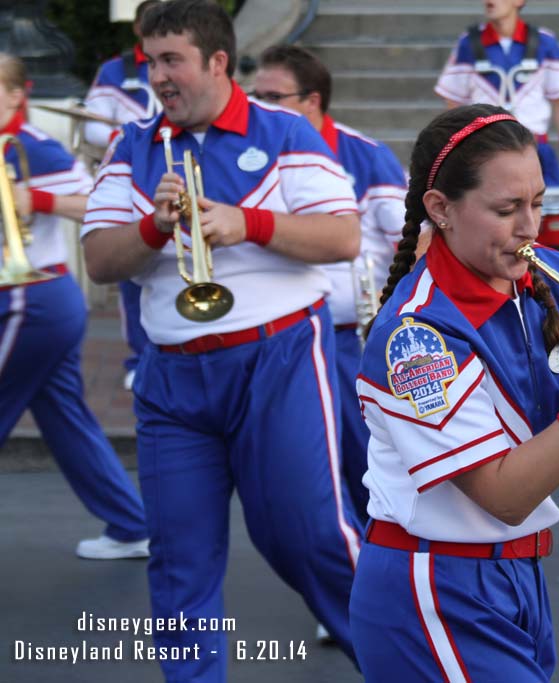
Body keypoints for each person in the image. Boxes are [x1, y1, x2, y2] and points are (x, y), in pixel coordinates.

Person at [349, 103, 559, 682]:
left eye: (538, 202)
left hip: (518, 576)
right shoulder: (417, 337)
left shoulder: (548, 278)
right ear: (441, 209)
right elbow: (502, 496)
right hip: (435, 586)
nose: (531, 227)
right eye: (506, 209)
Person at [81, 1, 364, 679]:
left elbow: (342, 237)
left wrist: (248, 223)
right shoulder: (134, 145)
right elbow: (99, 258)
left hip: (281, 360)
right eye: (150, 61)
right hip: (173, 377)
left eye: (171, 60)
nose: (158, 77)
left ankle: (405, 664)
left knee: (311, 538)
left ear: (215, 61)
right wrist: (154, 228)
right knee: (179, 562)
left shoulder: (286, 131)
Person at [252, 44, 408, 533]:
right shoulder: (252, 152)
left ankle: (376, 577)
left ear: (312, 101)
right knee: (302, 470)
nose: (259, 107)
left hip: (348, 338)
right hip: (278, 334)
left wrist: (395, 314)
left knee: (361, 463)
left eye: (273, 97)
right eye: (254, 96)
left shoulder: (365, 155)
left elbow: (415, 239)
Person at [0, 53, 150, 560]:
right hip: (37, 304)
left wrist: (34, 200)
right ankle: (131, 525)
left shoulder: (34, 149)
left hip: (31, 299)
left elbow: (95, 200)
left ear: (17, 95)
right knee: (66, 421)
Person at [84, 0, 164, 392]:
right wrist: (135, 132)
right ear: (136, 27)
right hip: (135, 178)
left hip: (182, 173)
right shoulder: (115, 70)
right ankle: (138, 358)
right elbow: (92, 129)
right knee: (133, 273)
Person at [435, 0, 559, 189]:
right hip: (486, 150)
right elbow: (453, 99)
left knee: (549, 211)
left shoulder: (545, 42)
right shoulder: (468, 43)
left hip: (534, 147)